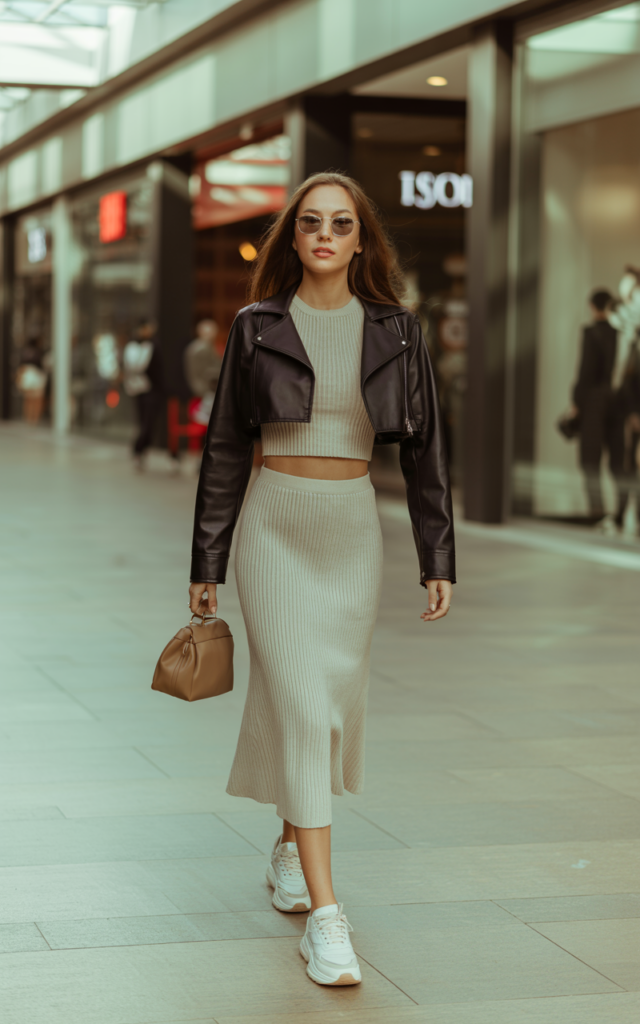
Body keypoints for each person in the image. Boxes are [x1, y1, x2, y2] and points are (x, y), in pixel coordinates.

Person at [188, 172, 455, 987]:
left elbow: (425, 453)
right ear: (294, 238)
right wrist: (208, 560)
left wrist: (435, 556)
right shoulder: (257, 325)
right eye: (311, 223)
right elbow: (227, 447)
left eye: (342, 224)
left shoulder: (399, 332)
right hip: (273, 526)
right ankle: (329, 920)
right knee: (303, 703)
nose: (326, 235)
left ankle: (287, 846)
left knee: (323, 706)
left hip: (350, 533)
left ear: (361, 239)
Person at [571, 289, 631, 530]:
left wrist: (576, 402)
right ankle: (620, 512)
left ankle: (596, 512)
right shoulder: (622, 335)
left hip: (595, 402)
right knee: (617, 461)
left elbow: (585, 372)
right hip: (618, 402)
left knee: (590, 460)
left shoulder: (592, 333)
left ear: (592, 306)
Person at [123, 320, 163, 468]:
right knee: (144, 422)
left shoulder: (154, 345)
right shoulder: (133, 346)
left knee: (149, 422)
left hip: (152, 389)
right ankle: (139, 450)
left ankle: (139, 449)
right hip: (138, 389)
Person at [183, 319, 222, 425]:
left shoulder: (197, 346)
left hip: (201, 385)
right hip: (204, 387)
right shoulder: (202, 348)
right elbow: (207, 372)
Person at [16, 339, 47, 425]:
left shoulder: (25, 352)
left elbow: (20, 366)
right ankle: (34, 419)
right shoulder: (39, 352)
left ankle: (29, 418)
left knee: (29, 399)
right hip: (35, 375)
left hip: (28, 375)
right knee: (36, 399)